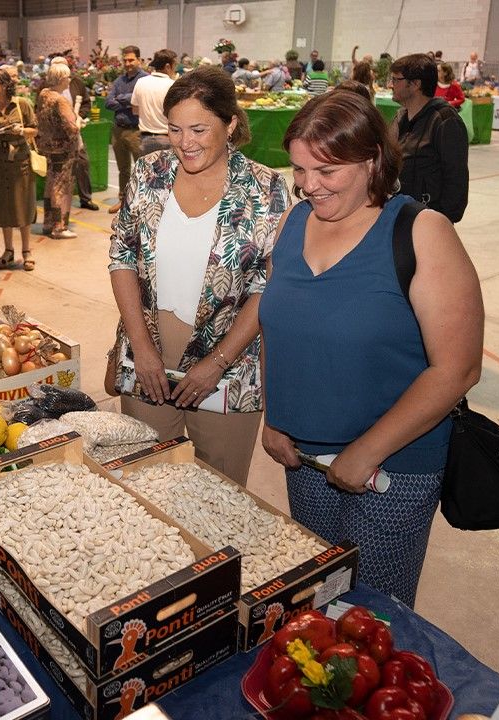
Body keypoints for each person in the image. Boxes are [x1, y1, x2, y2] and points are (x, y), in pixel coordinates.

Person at [261, 90, 484, 607]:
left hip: (394, 468)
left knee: (375, 611)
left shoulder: (420, 232)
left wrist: (367, 450)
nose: (308, 186)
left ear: (373, 161)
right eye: (298, 169)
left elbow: (457, 368)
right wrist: (275, 418)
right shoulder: (292, 223)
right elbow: (278, 329)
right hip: (305, 458)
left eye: (326, 171)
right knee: (321, 596)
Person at [108, 67, 290, 485]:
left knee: (219, 492)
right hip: (149, 353)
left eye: (198, 129)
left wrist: (217, 362)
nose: (185, 144)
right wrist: (141, 345)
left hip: (229, 361)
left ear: (230, 124)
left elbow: (268, 286)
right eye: (174, 130)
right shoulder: (149, 172)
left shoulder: (267, 189)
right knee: (146, 484)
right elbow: (122, 255)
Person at [391, 53, 469, 223]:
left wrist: (443, 219)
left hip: (428, 219)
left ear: (415, 84)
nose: (391, 85)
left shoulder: (445, 120)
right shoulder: (400, 118)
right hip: (400, 213)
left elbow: (456, 176)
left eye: (396, 80)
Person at [0, 68, 38, 271]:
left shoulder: (22, 105)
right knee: (3, 206)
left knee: (23, 204)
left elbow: (34, 129)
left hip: (20, 162)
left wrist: (20, 130)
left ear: (4, 86)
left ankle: (27, 251)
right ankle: (8, 251)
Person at [36, 63, 79, 241]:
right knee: (61, 187)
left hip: (48, 147)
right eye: (67, 77)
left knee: (51, 183)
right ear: (62, 79)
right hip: (63, 148)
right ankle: (59, 227)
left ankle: (47, 223)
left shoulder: (43, 95)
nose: (69, 80)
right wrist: (78, 123)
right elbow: (72, 127)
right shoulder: (60, 100)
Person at [106, 45, 148, 214]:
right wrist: (129, 100)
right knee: (123, 169)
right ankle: (123, 201)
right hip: (118, 130)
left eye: (131, 60)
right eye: (125, 60)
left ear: (139, 60)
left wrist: (121, 98)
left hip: (136, 131)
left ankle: (140, 202)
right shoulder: (119, 81)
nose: (128, 63)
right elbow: (108, 102)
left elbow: (139, 99)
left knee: (141, 168)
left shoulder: (145, 80)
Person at [61, 55, 99, 211]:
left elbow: (85, 103)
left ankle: (86, 198)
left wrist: (79, 117)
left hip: (75, 130)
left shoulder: (76, 82)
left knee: (82, 162)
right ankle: (60, 201)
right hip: (57, 133)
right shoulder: (46, 86)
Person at [131, 49, 177, 156]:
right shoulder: (172, 85)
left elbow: (135, 110)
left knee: (146, 172)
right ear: (167, 66)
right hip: (166, 139)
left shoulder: (141, 82)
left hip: (145, 139)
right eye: (174, 65)